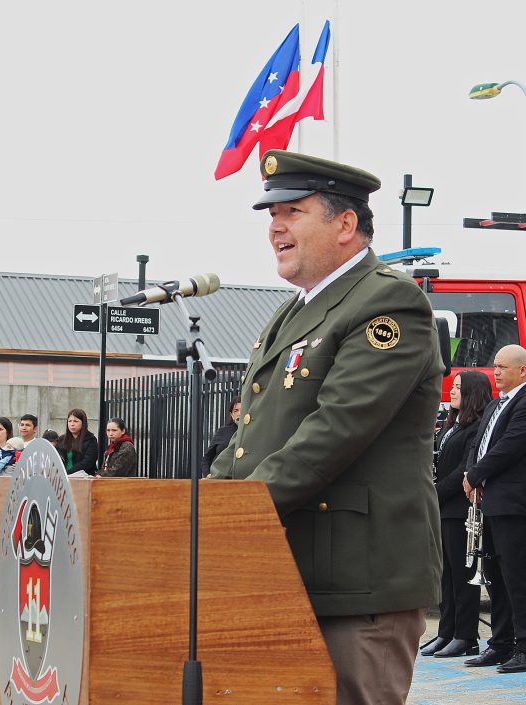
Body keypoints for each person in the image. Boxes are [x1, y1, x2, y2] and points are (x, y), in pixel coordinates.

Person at [210, 150, 444, 705]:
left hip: (356, 579)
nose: (275, 228)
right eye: (271, 216)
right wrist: (205, 507)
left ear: (345, 224)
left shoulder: (389, 301)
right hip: (291, 566)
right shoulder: (292, 312)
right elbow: (249, 436)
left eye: (292, 211)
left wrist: (233, 512)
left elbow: (334, 430)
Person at [462, 344, 526, 674]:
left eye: (502, 367)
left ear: (522, 371)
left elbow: (508, 448)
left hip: (515, 503)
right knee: (495, 576)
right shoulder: (497, 403)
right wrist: (470, 473)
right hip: (491, 501)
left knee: (519, 577)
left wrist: (477, 474)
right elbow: (478, 444)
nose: (495, 372)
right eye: (495, 366)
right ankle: (500, 643)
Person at [421, 370, 490, 658]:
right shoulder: (453, 424)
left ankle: (465, 635)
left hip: (459, 508)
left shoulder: (475, 427)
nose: (452, 391)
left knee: (462, 575)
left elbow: (463, 469)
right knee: (447, 574)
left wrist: (433, 493)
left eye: (459, 388)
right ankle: (446, 631)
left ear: (472, 393)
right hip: (445, 509)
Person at [200, 397, 240, 476]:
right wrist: (208, 475)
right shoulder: (223, 431)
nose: (239, 413)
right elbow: (207, 457)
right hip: (220, 478)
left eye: (243, 409)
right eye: (236, 410)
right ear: (231, 414)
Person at [56, 408, 98, 475]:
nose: (72, 424)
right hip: (62, 480)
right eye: (69, 421)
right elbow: (56, 459)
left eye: (76, 421)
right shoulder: (61, 440)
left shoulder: (91, 440)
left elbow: (87, 463)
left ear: (83, 423)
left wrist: (68, 473)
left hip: (83, 478)